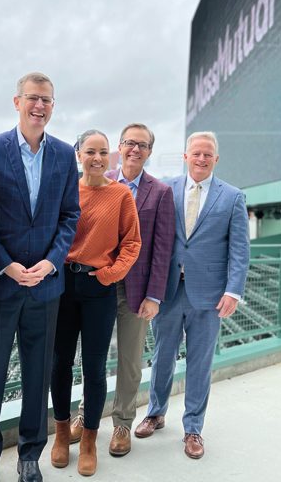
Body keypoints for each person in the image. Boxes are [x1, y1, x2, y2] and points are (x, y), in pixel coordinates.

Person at [0, 72, 80, 482]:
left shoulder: (61, 154)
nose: (40, 106)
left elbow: (70, 214)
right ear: (16, 102)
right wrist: (5, 263)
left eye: (47, 100)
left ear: (53, 106)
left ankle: (29, 455)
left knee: (38, 376)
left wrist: (53, 261)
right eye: (33, 98)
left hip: (46, 286)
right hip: (1, 285)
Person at [134, 131, 250, 459]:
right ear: (185, 156)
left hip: (210, 295)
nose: (201, 159)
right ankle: (155, 412)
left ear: (216, 159)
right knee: (162, 356)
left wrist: (233, 291)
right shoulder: (164, 189)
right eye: (196, 153)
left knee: (199, 363)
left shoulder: (232, 197)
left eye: (207, 154)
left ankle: (193, 428)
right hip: (167, 290)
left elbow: (240, 249)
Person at [69, 123, 175, 457]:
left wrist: (154, 296)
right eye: (129, 143)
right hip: (96, 284)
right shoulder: (98, 178)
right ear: (119, 146)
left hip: (136, 290)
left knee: (129, 360)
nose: (135, 149)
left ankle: (122, 422)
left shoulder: (160, 192)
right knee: (93, 357)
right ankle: (86, 414)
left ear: (149, 152)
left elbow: (162, 249)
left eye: (142, 145)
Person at [49, 129, 141, 477]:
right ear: (78, 154)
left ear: (111, 156)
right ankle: (60, 434)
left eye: (104, 152)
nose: (98, 158)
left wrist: (109, 274)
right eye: (91, 151)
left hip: (98, 287)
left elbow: (132, 243)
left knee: (95, 367)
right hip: (62, 285)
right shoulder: (66, 190)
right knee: (59, 363)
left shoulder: (120, 195)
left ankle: (88, 439)